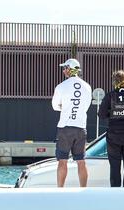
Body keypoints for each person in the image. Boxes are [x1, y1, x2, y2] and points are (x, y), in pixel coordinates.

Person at [52, 58, 92, 187]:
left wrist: (64, 107)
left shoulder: (61, 86)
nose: (63, 71)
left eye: (65, 68)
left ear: (69, 69)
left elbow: (54, 106)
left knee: (62, 160)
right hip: (80, 127)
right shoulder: (87, 86)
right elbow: (86, 106)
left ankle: (60, 189)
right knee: (81, 161)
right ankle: (83, 189)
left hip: (65, 127)